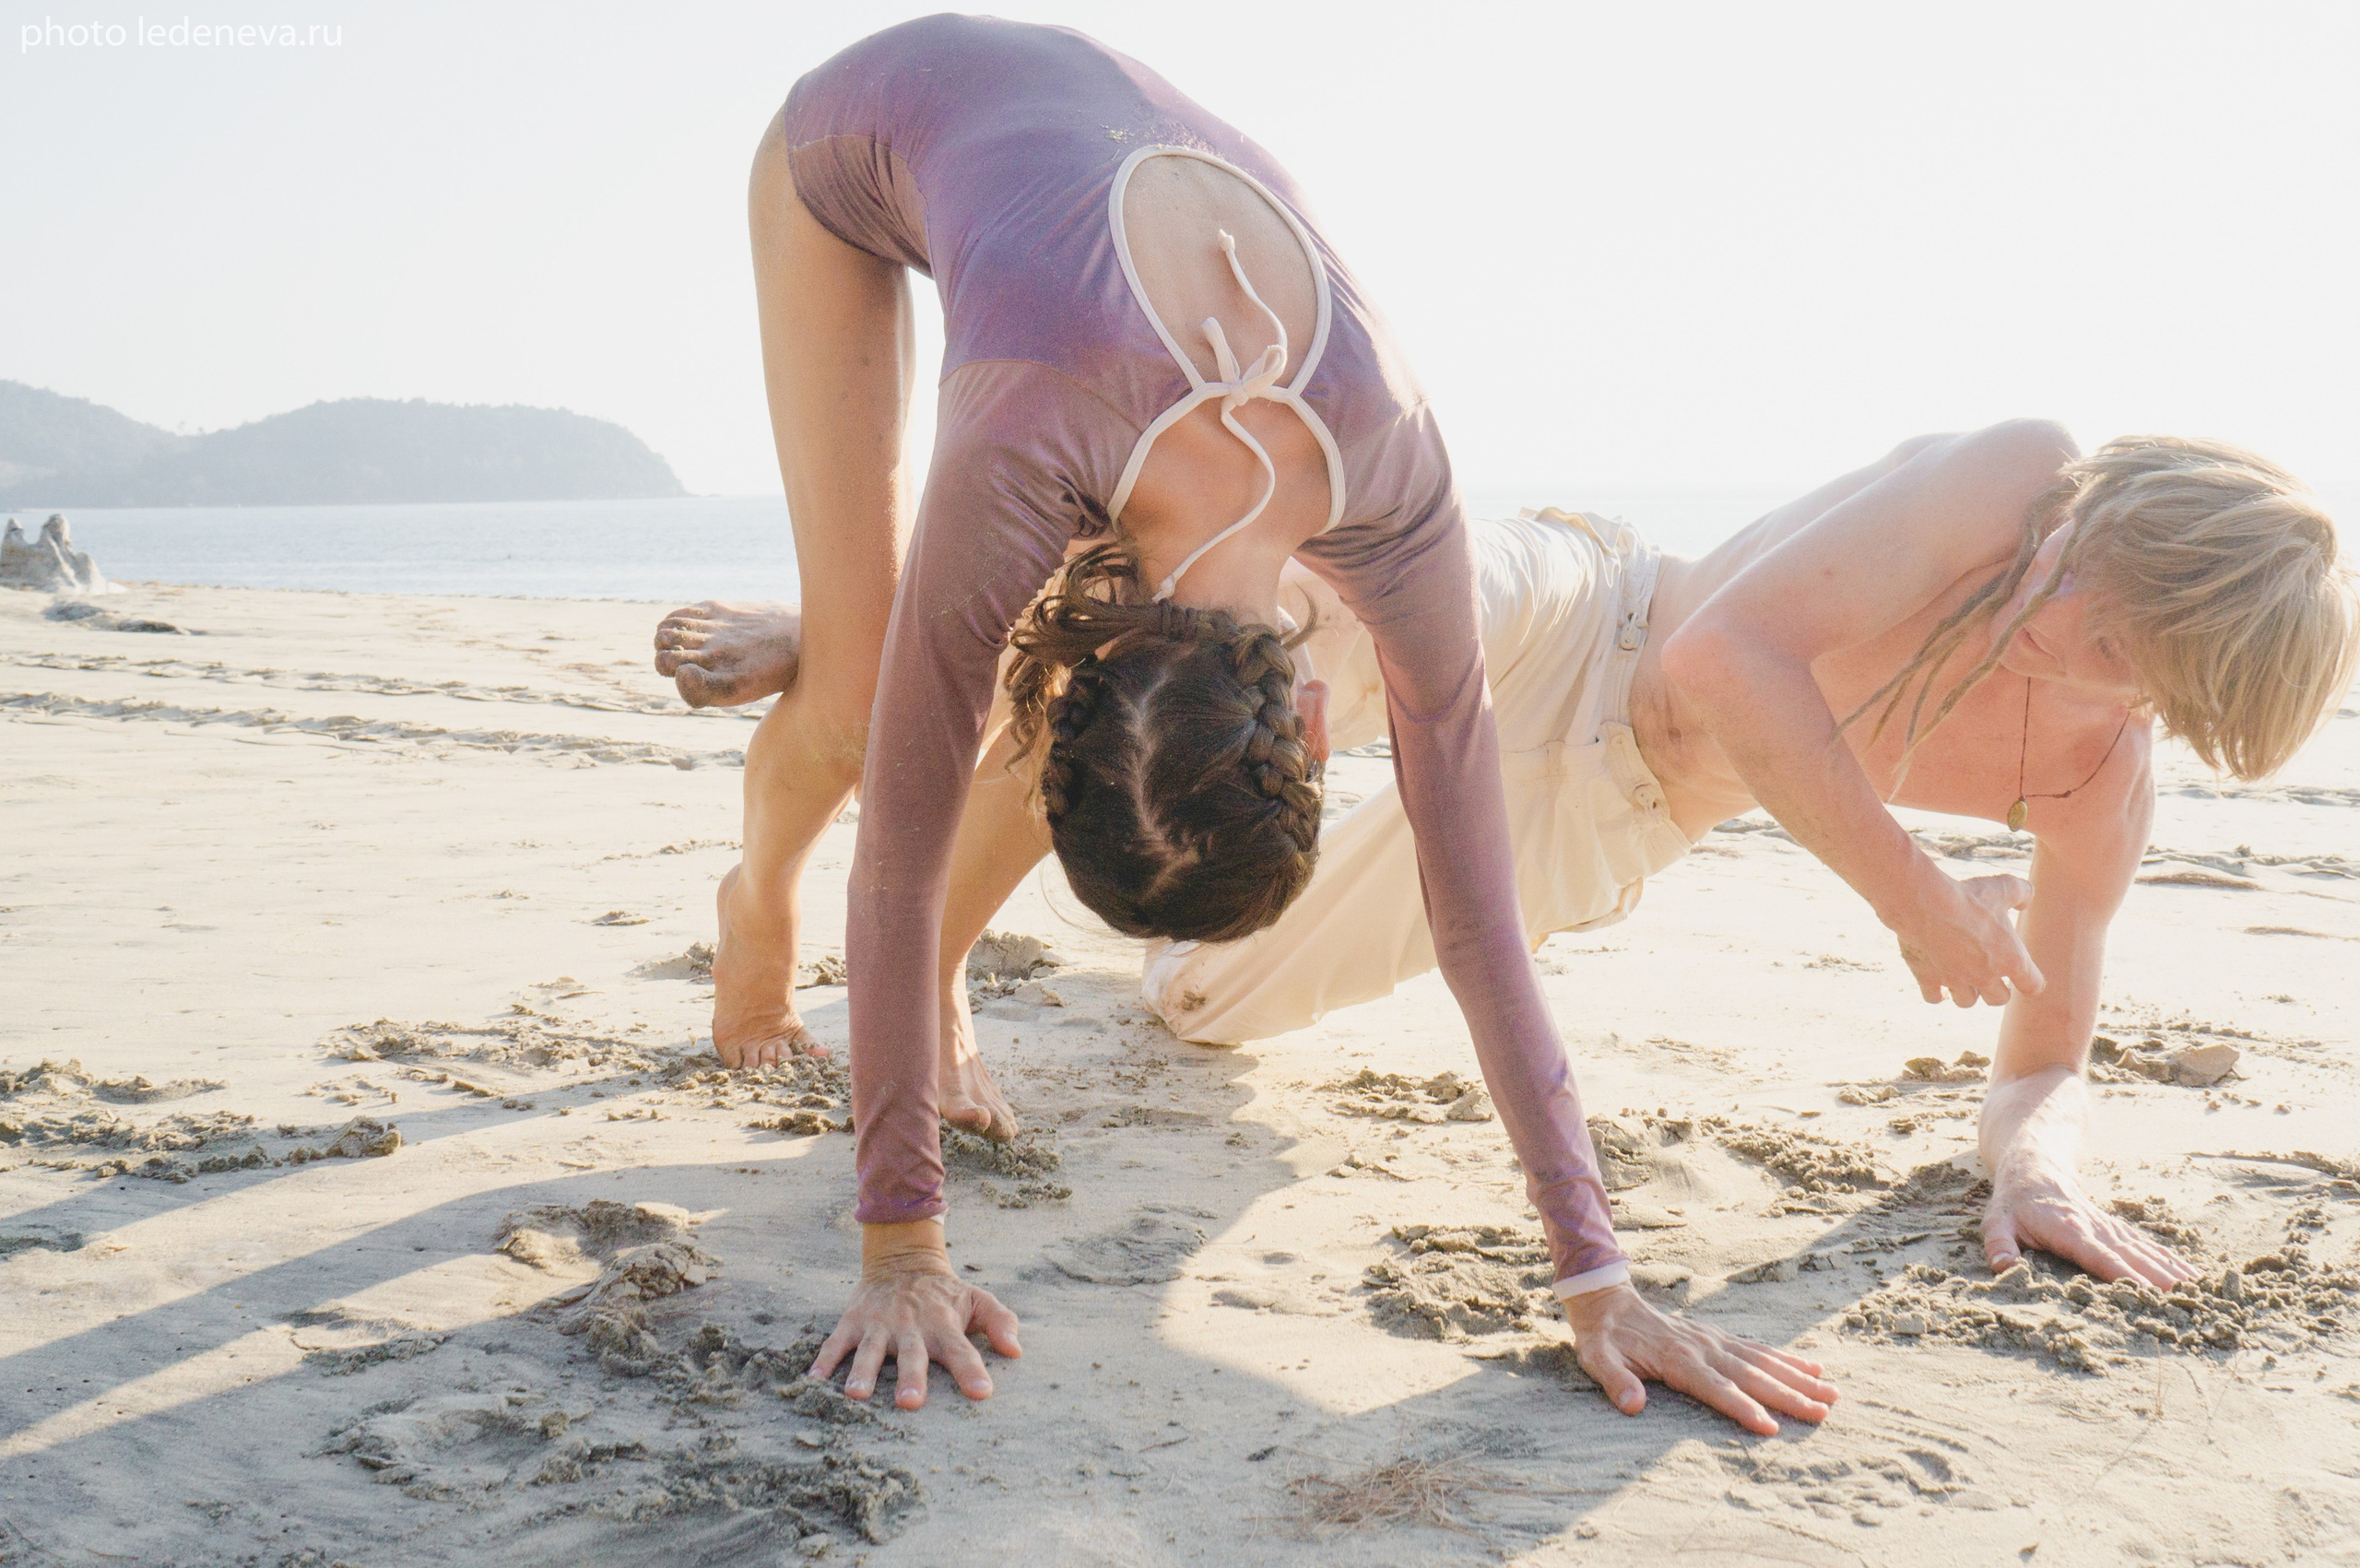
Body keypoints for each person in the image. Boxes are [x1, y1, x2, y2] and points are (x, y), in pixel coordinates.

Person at [650, 15, 1834, 1433]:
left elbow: (1478, 921)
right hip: (852, 148)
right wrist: (900, 1244)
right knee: (856, 713)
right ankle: (758, 883)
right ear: (1326, 717)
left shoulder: (1401, 487)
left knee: (921, 639)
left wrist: (1605, 1272)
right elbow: (897, 864)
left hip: (1068, 255)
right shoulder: (1032, 440)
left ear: (1315, 716)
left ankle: (901, 624)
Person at [948, 423, 2356, 1299]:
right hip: (1588, 614)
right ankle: (917, 714)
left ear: (2176, 690)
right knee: (1282, 624)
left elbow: (2045, 1058)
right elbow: (1719, 653)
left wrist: (2037, 1170)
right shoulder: (2018, 480)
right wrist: (1916, 896)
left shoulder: (2093, 788)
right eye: (2078, 555)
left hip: (1626, 808)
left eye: (2109, 635)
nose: (2049, 598)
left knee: (1204, 999)